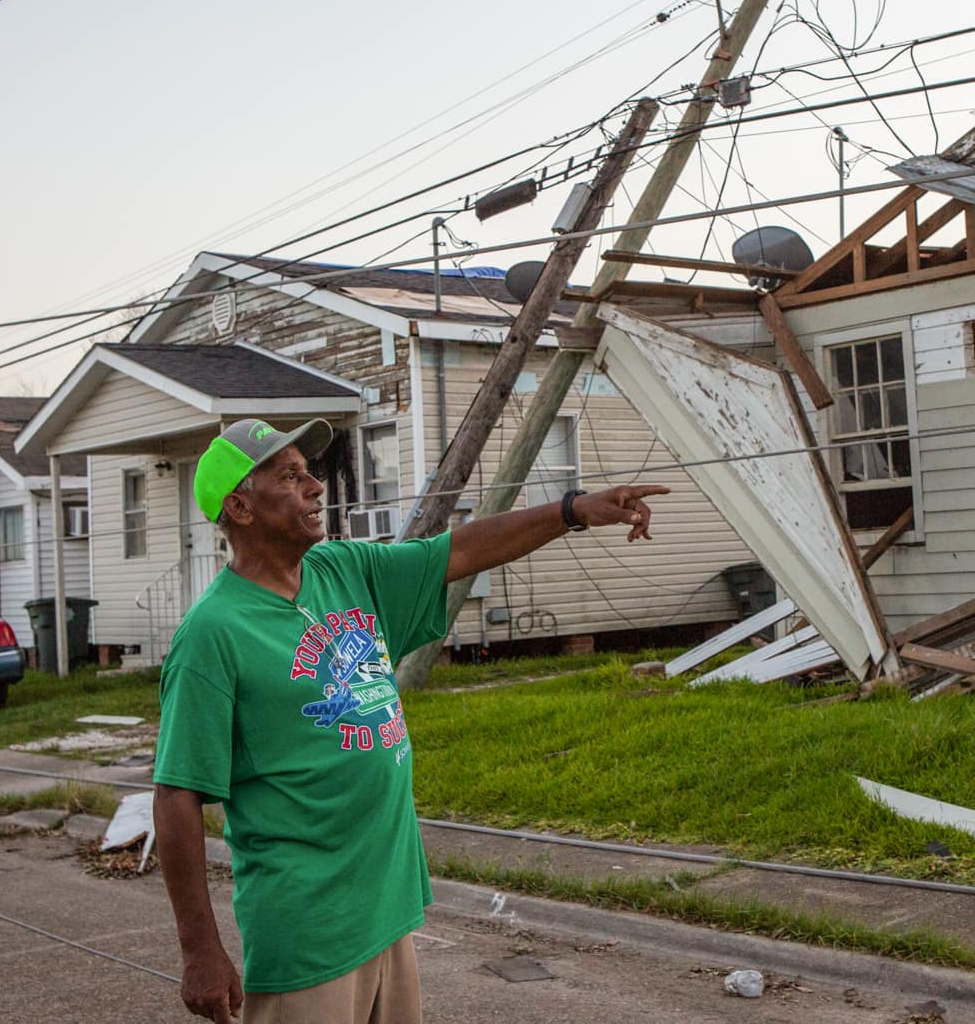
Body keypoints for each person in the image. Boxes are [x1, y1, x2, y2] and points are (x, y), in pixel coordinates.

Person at [152, 417, 666, 1024]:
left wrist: (574, 510)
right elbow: (177, 795)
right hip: (309, 930)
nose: (315, 486)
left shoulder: (344, 571)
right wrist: (200, 951)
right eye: (290, 477)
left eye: (308, 471)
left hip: (386, 911)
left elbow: (464, 548)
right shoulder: (213, 634)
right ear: (239, 506)